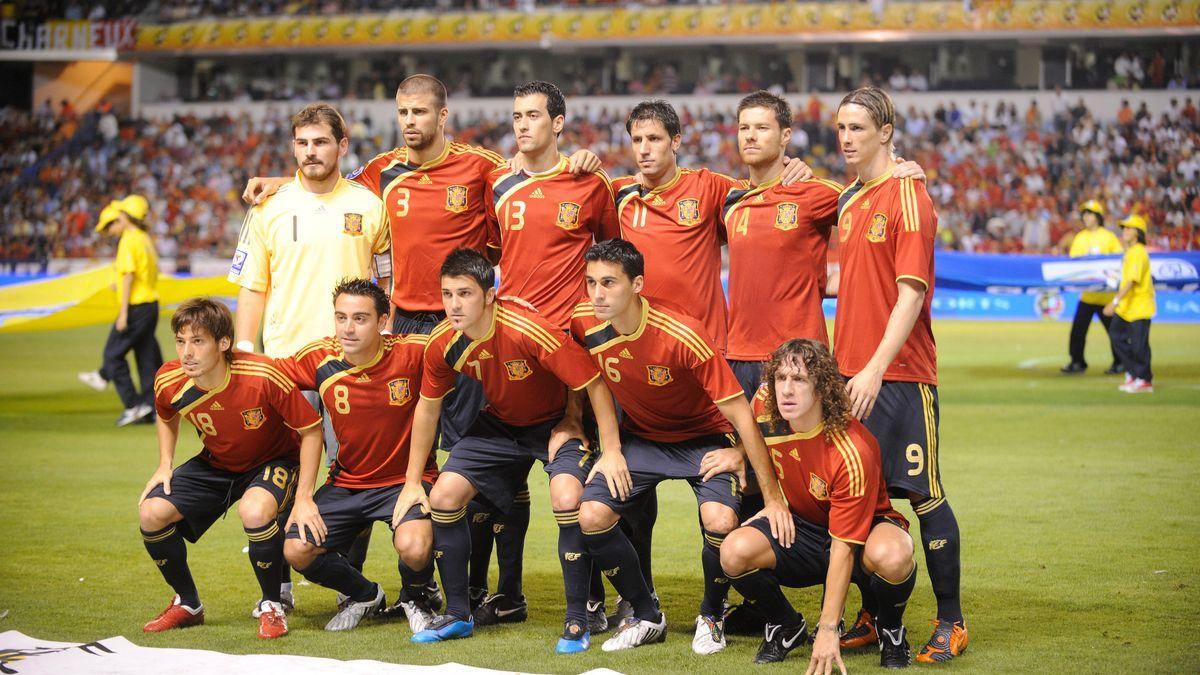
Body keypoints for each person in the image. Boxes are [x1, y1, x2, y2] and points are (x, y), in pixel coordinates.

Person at [570, 239, 794, 655]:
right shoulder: (584, 321)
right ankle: (645, 613)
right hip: (644, 439)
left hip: (705, 440)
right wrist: (612, 448)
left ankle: (711, 614)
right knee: (592, 514)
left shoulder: (682, 334)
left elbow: (743, 415)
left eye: (608, 283)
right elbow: (591, 382)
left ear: (637, 284)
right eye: (590, 283)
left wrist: (771, 492)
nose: (597, 294)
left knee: (720, 520)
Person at [403, 249, 624, 654]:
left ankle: (578, 618)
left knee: (566, 497)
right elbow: (428, 406)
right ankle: (457, 615)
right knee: (443, 497)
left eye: (465, 294)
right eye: (447, 294)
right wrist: (412, 481)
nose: (454, 304)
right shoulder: (443, 342)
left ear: (489, 295)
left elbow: (593, 381)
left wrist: (609, 451)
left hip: (553, 423)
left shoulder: (527, 328)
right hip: (501, 423)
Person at [229, 102, 391, 607]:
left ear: (342, 146)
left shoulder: (370, 207)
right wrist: (244, 353)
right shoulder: (267, 208)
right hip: (284, 368)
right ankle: (276, 588)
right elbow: (253, 287)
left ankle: (351, 587)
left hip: (351, 369)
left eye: (321, 142)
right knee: (280, 480)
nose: (310, 151)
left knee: (354, 478)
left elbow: (387, 284)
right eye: (302, 143)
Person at [833, 86, 967, 664]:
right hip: (850, 377)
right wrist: (848, 373)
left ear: (886, 131)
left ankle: (951, 620)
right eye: (841, 127)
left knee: (924, 495)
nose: (846, 137)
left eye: (858, 127)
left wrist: (874, 369)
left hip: (900, 377)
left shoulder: (909, 196)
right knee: (867, 500)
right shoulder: (848, 199)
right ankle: (873, 616)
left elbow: (911, 293)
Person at [720, 339, 917, 669]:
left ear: (823, 389)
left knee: (894, 556)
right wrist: (773, 499)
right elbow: (752, 434)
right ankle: (786, 624)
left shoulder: (851, 450)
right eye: (781, 378)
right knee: (733, 551)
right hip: (805, 528)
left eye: (799, 380)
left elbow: (841, 548)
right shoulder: (767, 403)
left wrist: (827, 629)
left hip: (864, 532)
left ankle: (891, 628)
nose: (786, 390)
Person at [136, 298, 322, 639]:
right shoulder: (170, 380)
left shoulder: (263, 375)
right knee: (151, 512)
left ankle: (272, 605)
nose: (187, 352)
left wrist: (304, 497)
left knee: (254, 511)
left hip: (274, 460)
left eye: (198, 341)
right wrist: (165, 464)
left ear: (223, 343)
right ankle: (188, 604)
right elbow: (166, 416)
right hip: (218, 463)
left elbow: (311, 431)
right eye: (181, 341)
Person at [275, 278, 441, 632]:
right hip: (348, 482)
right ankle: (365, 594)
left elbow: (467, 339)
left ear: (383, 321)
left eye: (360, 319)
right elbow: (264, 375)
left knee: (413, 545)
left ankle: (416, 597)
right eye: (341, 317)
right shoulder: (320, 358)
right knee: (296, 550)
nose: (347, 329)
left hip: (406, 482)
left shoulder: (414, 351)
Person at [720, 91, 844, 398]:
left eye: (762, 128)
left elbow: (876, 210)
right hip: (738, 356)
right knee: (742, 448)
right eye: (744, 128)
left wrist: (899, 170)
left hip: (799, 357)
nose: (750, 136)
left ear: (785, 135)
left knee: (803, 447)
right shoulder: (731, 201)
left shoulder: (815, 193)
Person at [79, 196, 164, 427]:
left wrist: (123, 313)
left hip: (136, 307)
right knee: (146, 357)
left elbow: (128, 275)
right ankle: (150, 407)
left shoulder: (129, 240)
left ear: (125, 217)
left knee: (113, 355)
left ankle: (132, 405)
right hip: (150, 304)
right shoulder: (144, 238)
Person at [1061, 200, 1124, 375]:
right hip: (1088, 296)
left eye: (1090, 214)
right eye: (1085, 214)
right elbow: (1074, 263)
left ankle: (1121, 362)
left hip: (1106, 297)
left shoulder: (1109, 237)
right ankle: (1077, 362)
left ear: (1098, 217)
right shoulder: (1080, 237)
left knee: (1115, 333)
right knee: (1077, 332)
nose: (1086, 217)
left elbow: (1118, 261)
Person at [1104, 214, 1156, 393]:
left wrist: (1115, 301)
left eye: (1128, 228)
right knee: (1116, 336)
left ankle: (1144, 379)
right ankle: (1134, 373)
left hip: (1139, 306)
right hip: (1128, 306)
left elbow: (1132, 281)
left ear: (1138, 232)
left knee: (1139, 344)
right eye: (1124, 228)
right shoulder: (1131, 252)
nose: (1124, 231)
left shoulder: (1138, 252)